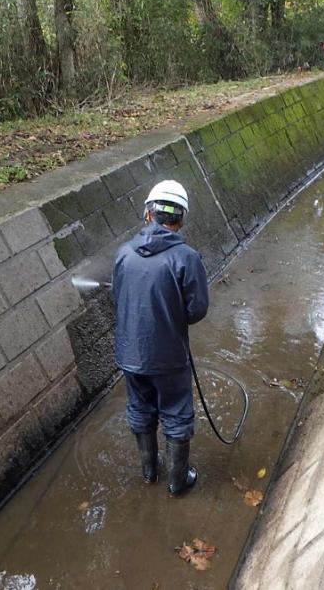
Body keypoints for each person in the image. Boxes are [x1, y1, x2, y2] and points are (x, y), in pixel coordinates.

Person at [112, 180, 209, 495]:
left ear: (147, 214)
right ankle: (178, 481)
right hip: (168, 355)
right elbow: (196, 310)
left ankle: (149, 472)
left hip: (130, 355)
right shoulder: (186, 257)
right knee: (176, 412)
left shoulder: (124, 253)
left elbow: (119, 297)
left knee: (140, 408)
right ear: (180, 220)